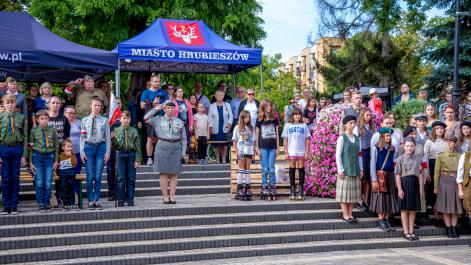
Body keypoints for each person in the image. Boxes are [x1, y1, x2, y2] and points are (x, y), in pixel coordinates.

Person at [144, 100, 187, 204]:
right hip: (162, 146)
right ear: (164, 109)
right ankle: (165, 196)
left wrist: (183, 152)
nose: (170, 109)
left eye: (172, 107)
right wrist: (156, 108)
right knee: (163, 173)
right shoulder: (158, 119)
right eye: (168, 107)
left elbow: (184, 138)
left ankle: (172, 196)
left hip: (176, 147)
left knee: (174, 173)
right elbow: (145, 118)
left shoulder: (179, 121)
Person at [80, 97, 111, 210]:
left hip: (100, 148)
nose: (97, 108)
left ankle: (96, 200)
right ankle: (90, 200)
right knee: (89, 176)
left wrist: (107, 153)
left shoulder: (104, 120)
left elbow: (107, 138)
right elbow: (82, 137)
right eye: (95, 105)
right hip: (88, 147)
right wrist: (82, 152)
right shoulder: (84, 120)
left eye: (99, 106)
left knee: (98, 176)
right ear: (90, 106)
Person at [0, 94, 27, 215]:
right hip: (3, 148)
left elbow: (25, 137)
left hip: (17, 148)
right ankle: (6, 206)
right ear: (4, 104)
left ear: (15, 103)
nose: (10, 105)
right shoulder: (0, 117)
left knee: (15, 177)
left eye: (12, 103)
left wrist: (24, 155)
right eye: (7, 103)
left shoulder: (21, 117)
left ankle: (14, 205)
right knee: (5, 177)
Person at [29, 110, 59, 213]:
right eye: (42, 119)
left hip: (49, 157)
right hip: (37, 157)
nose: (44, 120)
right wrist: (30, 162)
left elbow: (56, 146)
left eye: (46, 118)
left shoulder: (52, 130)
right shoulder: (34, 131)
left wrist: (56, 161)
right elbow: (31, 147)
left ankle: (47, 202)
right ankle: (40, 202)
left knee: (48, 182)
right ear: (37, 120)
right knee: (39, 181)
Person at [335, 115, 363, 223]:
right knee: (344, 194)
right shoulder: (342, 138)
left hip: (355, 169)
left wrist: (361, 169)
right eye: (350, 123)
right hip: (345, 169)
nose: (353, 125)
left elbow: (359, 155)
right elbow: (338, 155)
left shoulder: (357, 138)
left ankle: (350, 214)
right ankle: (345, 214)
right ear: (345, 124)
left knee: (353, 194)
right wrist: (340, 169)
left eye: (354, 123)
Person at [370, 127, 399, 231]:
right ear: (382, 136)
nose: (389, 137)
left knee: (389, 198)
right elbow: (372, 165)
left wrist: (396, 178)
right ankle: (381, 219)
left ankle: (386, 218)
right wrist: (374, 179)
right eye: (387, 135)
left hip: (390, 175)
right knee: (381, 197)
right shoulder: (376, 147)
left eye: (390, 136)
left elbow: (394, 164)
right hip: (380, 175)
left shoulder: (392, 149)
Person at [434, 135, 462, 238]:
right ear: (445, 143)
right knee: (445, 207)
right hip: (444, 182)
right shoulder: (440, 156)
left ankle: (454, 227)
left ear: (455, 143)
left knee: (454, 207)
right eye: (447, 142)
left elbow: (462, 171)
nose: (449, 144)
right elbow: (436, 172)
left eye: (451, 142)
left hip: (455, 182)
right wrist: (436, 187)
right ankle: (448, 227)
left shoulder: (460, 156)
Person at [395, 138, 423, 241]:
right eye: (407, 146)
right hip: (405, 183)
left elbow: (419, 175)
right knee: (404, 209)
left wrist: (420, 189)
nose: (409, 148)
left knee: (412, 209)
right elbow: (398, 175)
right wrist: (399, 189)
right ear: (403, 147)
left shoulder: (417, 159)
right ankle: (406, 231)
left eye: (411, 146)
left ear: (414, 147)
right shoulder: (400, 159)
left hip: (415, 183)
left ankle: (411, 231)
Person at [114, 111, 142, 207]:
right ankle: (121, 199)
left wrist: (137, 159)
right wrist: (113, 139)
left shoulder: (134, 130)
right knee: (121, 178)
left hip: (131, 154)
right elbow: (115, 146)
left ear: (130, 119)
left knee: (131, 178)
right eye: (124, 118)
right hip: (120, 154)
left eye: (128, 118)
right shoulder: (116, 130)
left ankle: (130, 199)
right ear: (120, 119)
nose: (126, 120)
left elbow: (138, 146)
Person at [140, 75, 169, 166]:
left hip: (162, 118)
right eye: (155, 81)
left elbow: (169, 104)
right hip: (151, 118)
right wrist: (153, 104)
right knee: (150, 138)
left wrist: (163, 105)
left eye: (158, 82)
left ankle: (159, 158)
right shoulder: (146, 92)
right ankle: (149, 159)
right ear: (151, 82)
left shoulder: (163, 92)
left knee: (161, 138)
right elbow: (141, 106)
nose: (157, 83)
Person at [283, 108, 310, 200]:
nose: (297, 116)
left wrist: (307, 152)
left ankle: (301, 189)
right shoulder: (288, 125)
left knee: (301, 169)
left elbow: (307, 139)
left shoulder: (304, 125)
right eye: (295, 114)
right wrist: (286, 152)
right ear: (292, 115)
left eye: (299, 114)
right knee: (292, 169)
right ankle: (292, 189)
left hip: (301, 150)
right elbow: (285, 139)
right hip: (291, 150)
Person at [48, 96, 71, 207]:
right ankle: (49, 195)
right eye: (53, 103)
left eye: (57, 103)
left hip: (60, 152)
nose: (56, 105)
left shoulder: (64, 119)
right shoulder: (45, 118)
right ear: (49, 104)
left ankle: (59, 197)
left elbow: (67, 135)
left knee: (60, 176)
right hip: (47, 151)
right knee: (46, 175)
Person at [256, 100, 279, 200]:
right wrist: (257, 147)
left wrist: (278, 147)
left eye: (270, 106)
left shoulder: (275, 119)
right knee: (265, 169)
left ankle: (273, 186)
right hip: (263, 146)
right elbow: (257, 134)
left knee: (272, 168)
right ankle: (264, 186)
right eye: (267, 106)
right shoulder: (259, 119)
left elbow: (277, 134)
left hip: (272, 146)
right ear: (263, 107)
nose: (269, 107)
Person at [424, 121, 446, 222]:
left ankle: (443, 213)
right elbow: (425, 157)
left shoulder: (446, 141)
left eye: (441, 128)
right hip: (433, 166)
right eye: (437, 128)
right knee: (434, 190)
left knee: (443, 191)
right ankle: (437, 215)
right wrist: (427, 172)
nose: (440, 130)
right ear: (434, 130)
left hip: (445, 167)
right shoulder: (429, 142)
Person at [354, 108, 376, 211]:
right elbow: (355, 142)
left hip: (370, 154)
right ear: (362, 116)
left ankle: (366, 200)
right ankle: (359, 200)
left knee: (367, 178)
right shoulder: (358, 127)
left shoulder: (372, 127)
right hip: (361, 154)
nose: (368, 117)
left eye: (370, 115)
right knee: (361, 178)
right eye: (366, 115)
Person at [232, 110, 257, 201]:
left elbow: (254, 140)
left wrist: (254, 151)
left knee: (247, 169)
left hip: (249, 150)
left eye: (249, 117)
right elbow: (234, 140)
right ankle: (239, 189)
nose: (248, 118)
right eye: (246, 117)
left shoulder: (251, 128)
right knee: (241, 169)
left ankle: (247, 188)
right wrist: (237, 151)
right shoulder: (237, 128)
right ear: (242, 118)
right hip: (241, 151)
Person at [208, 90, 233, 163]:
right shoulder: (212, 106)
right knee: (217, 145)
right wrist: (210, 127)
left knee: (224, 145)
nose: (219, 96)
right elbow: (209, 117)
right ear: (215, 96)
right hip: (215, 127)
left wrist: (229, 124)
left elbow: (231, 116)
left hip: (225, 127)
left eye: (221, 95)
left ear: (223, 96)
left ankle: (224, 159)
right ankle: (218, 159)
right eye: (218, 95)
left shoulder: (227, 105)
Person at [106, 98, 122, 201]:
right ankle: (111, 192)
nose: (117, 105)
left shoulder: (124, 116)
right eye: (115, 103)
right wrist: (108, 135)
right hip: (110, 149)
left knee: (120, 172)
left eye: (119, 103)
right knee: (110, 171)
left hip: (121, 149)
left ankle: (120, 193)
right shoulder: (107, 117)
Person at [57, 139, 78, 211]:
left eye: (71, 147)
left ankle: (71, 203)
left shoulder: (73, 154)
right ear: (63, 148)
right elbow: (58, 164)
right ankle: (65, 204)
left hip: (71, 175)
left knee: (71, 188)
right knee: (63, 189)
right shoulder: (60, 155)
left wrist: (70, 157)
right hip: (63, 175)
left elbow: (74, 163)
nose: (70, 148)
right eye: (68, 146)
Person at [64, 106, 82, 174]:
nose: (71, 115)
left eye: (73, 113)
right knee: (67, 173)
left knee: (77, 172)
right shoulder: (62, 122)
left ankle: (76, 185)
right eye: (69, 113)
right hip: (65, 152)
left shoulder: (79, 122)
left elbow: (84, 136)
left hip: (77, 151)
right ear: (64, 113)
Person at [457, 146, 471, 231]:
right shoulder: (465, 156)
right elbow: (460, 174)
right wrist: (460, 190)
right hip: (468, 183)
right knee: (469, 209)